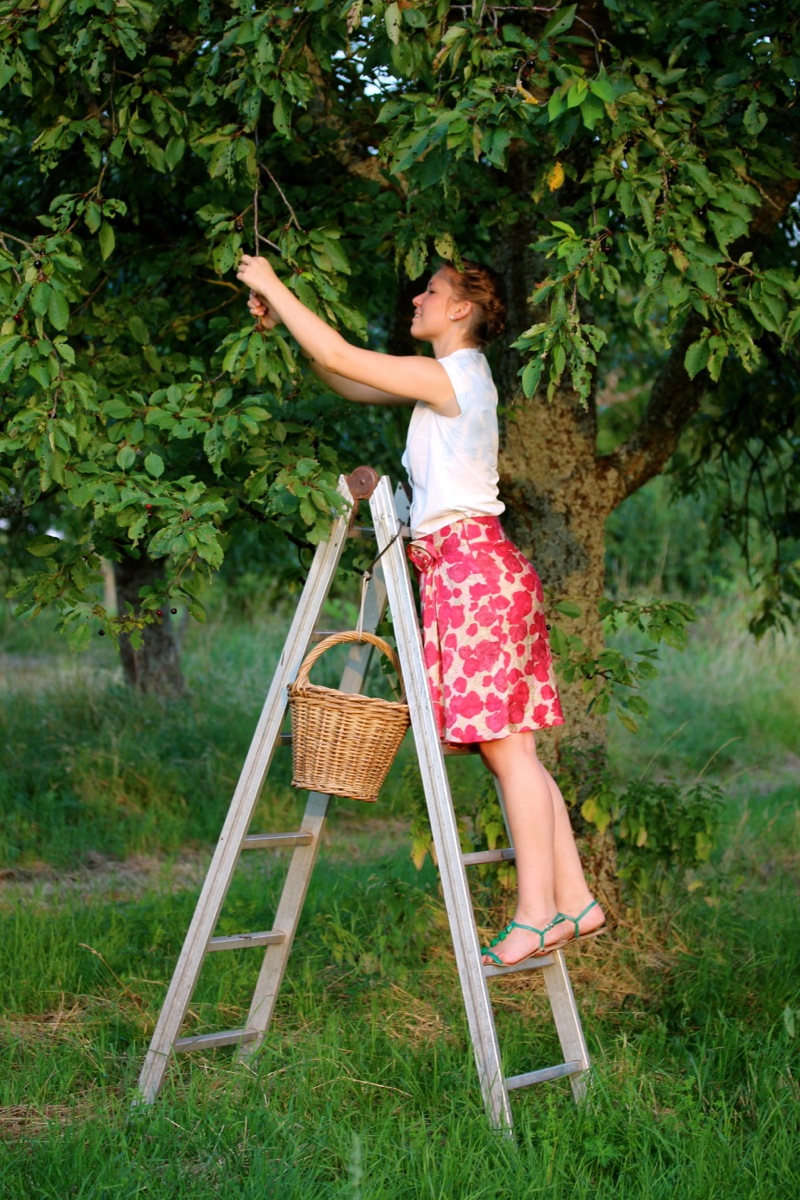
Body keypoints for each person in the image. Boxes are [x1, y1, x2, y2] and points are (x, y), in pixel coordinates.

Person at [236, 251, 606, 965]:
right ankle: (574, 898)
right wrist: (283, 319)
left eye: (430, 291)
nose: (417, 299)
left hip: (471, 572)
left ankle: (536, 913)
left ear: (461, 308)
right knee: (514, 752)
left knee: (509, 752)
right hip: (476, 571)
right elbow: (343, 375)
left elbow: (341, 350)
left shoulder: (450, 375)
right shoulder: (447, 380)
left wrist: (272, 282)